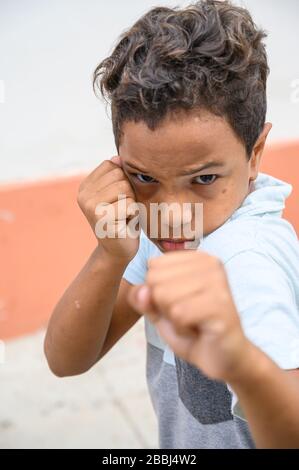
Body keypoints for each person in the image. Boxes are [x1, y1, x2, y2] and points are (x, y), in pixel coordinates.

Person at [44, 0, 299, 448]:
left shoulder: (248, 258)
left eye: (203, 178)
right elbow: (67, 361)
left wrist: (240, 361)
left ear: (255, 153)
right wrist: (110, 252)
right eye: (144, 177)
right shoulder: (157, 231)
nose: (174, 210)